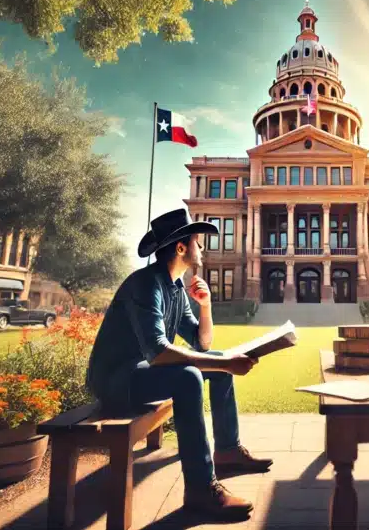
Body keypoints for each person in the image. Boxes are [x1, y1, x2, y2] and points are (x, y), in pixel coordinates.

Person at [85, 208, 272, 520]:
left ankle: (227, 451)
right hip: (117, 380)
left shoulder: (174, 287)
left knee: (216, 365)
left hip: (142, 373)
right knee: (189, 377)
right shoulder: (146, 284)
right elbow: (158, 352)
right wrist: (226, 362)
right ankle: (200, 489)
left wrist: (207, 306)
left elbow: (203, 344)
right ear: (181, 248)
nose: (202, 248)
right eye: (197, 242)